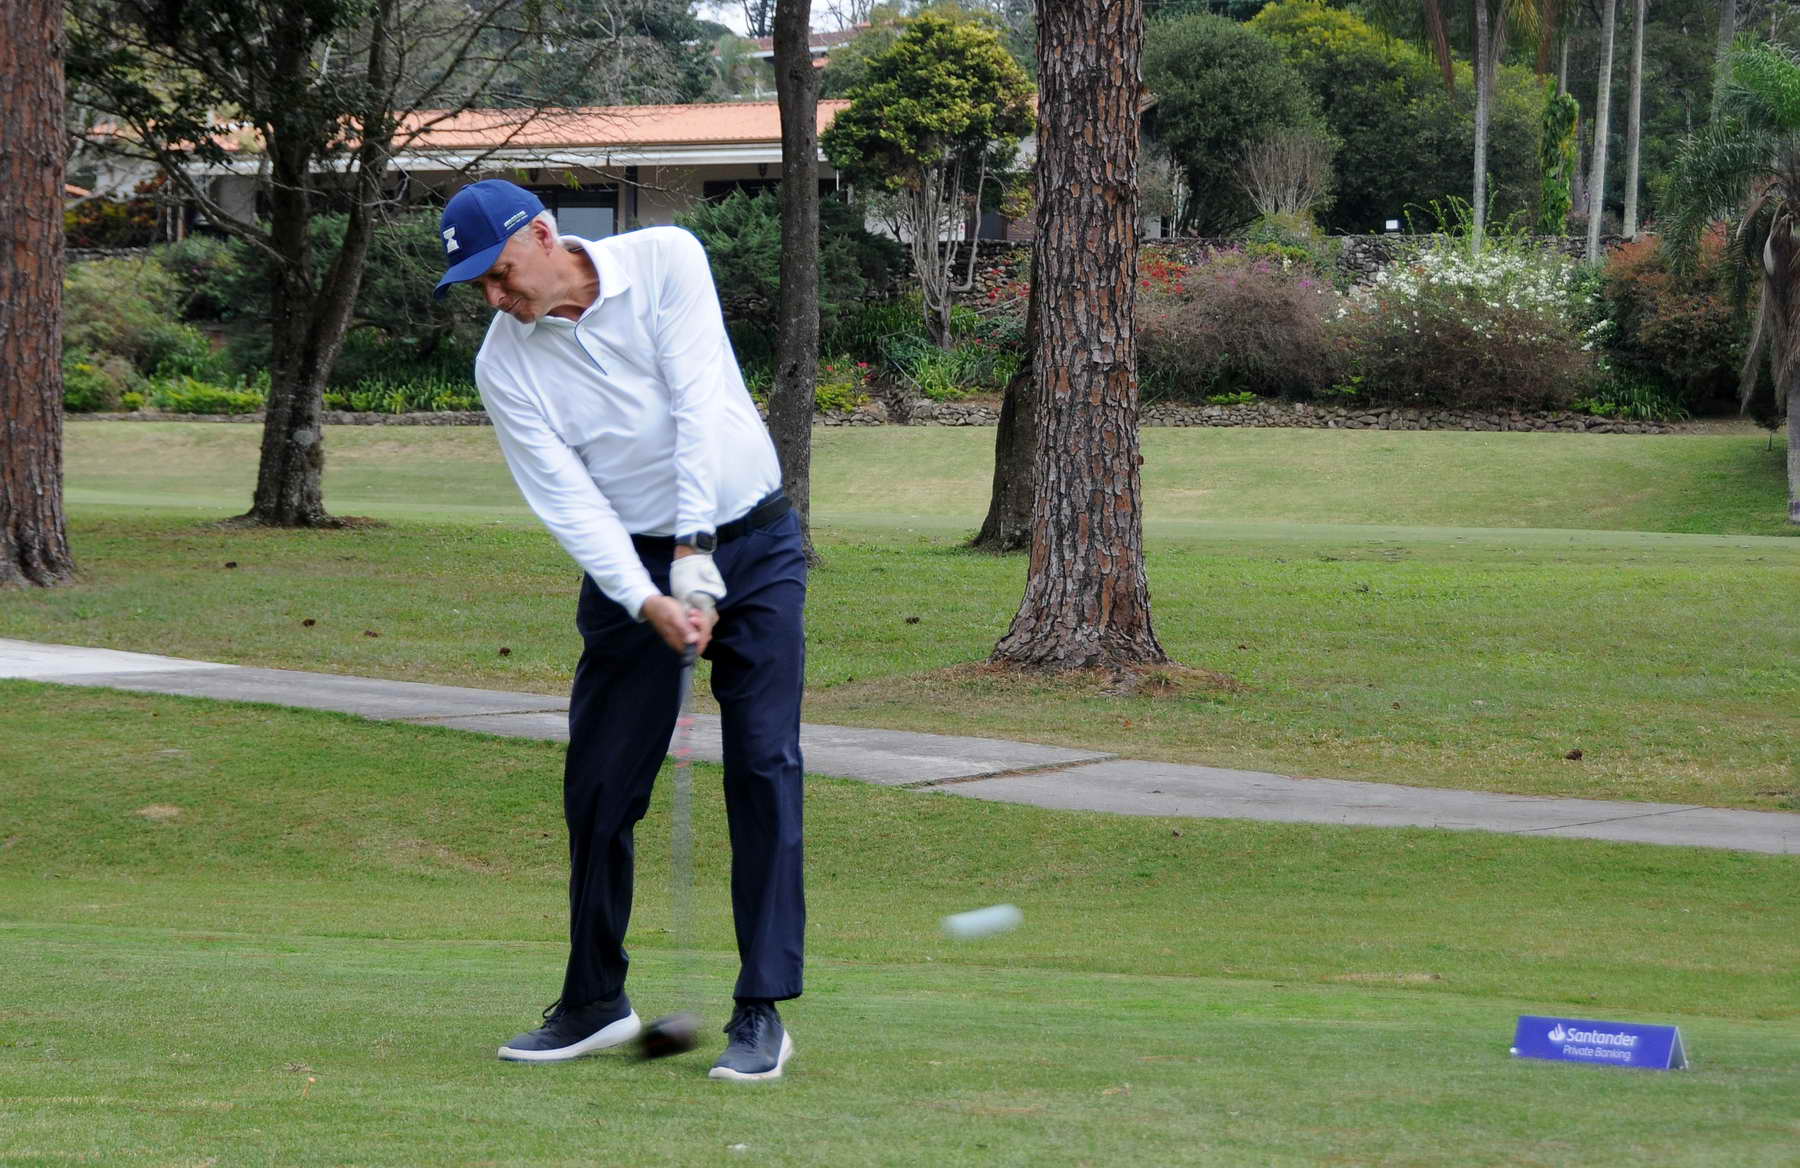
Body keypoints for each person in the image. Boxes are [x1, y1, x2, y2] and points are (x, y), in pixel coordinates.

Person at [433, 179, 805, 1081]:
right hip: (630, 566)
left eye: (500, 273)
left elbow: (695, 403)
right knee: (599, 785)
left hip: (751, 542)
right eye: (478, 285)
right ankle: (595, 1001)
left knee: (762, 765)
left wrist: (695, 549)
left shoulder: (667, 259)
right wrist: (648, 598)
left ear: (545, 234)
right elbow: (568, 502)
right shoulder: (503, 364)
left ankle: (760, 1011)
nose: (494, 297)